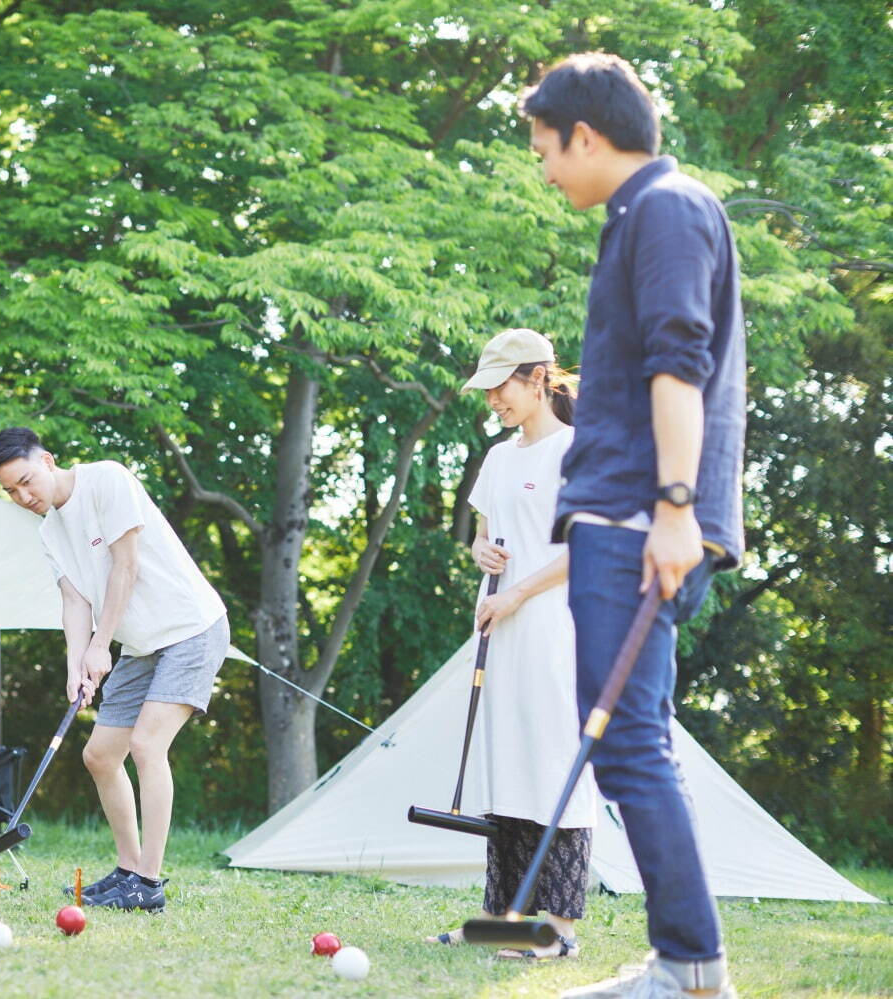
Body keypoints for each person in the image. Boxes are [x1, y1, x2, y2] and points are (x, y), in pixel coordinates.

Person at [522, 52, 746, 999]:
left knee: (629, 745)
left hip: (641, 515)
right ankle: (683, 960)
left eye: (544, 149)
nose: (542, 169)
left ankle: (691, 968)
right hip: (624, 512)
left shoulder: (666, 208)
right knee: (632, 739)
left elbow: (678, 367)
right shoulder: (639, 216)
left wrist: (673, 511)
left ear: (585, 132)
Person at [0, 426, 229, 912]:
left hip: (190, 629)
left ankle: (149, 885)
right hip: (141, 646)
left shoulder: (107, 480)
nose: (23, 496)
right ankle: (127, 870)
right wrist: (77, 666)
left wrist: (100, 645)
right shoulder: (50, 532)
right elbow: (73, 601)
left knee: (146, 745)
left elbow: (126, 568)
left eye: (27, 481)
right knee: (99, 755)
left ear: (48, 460)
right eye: (11, 490)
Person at [425, 328, 593, 959]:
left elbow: (586, 548)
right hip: (501, 629)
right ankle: (500, 916)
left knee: (555, 769)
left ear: (537, 379)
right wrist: (480, 552)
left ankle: (557, 930)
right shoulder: (498, 458)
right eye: (488, 388)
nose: (491, 399)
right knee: (512, 772)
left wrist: (518, 593)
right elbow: (485, 539)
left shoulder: (579, 451)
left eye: (500, 386)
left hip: (557, 629)